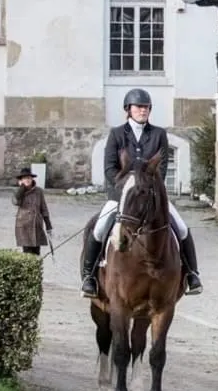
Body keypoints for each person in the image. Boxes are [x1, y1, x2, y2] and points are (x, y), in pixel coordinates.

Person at [80, 88, 203, 298]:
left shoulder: (158, 134)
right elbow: (110, 168)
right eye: (138, 107)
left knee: (181, 228)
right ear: (129, 109)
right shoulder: (117, 134)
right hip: (122, 196)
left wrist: (149, 189)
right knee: (99, 228)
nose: (142, 111)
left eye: (146, 107)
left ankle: (192, 274)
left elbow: (162, 168)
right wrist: (127, 188)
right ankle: (89, 277)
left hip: (151, 197)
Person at [13, 167, 52, 256]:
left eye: (29, 178)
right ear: (21, 180)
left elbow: (44, 208)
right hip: (24, 226)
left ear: (32, 179)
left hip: (36, 225)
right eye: (24, 178)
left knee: (36, 252)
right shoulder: (18, 192)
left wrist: (48, 224)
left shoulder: (39, 191)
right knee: (27, 253)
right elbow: (16, 202)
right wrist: (22, 188)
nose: (27, 180)